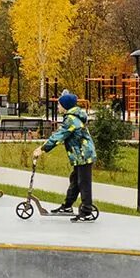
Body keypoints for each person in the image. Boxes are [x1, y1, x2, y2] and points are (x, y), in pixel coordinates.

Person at [34, 91, 98, 221]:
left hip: (84, 155)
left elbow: (59, 135)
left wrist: (42, 149)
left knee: (84, 183)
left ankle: (87, 211)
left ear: (65, 105)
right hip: (79, 156)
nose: (57, 107)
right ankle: (67, 206)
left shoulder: (71, 119)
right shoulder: (72, 117)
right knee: (75, 180)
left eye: (59, 104)